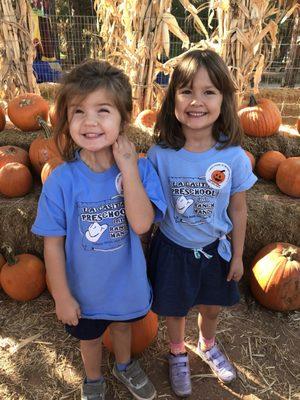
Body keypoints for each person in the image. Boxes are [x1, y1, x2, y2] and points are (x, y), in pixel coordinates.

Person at [32, 59, 166, 400]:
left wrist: (128, 169)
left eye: (102, 110)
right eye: (78, 111)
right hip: (84, 290)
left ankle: (124, 366)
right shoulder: (61, 179)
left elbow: (141, 224)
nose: (90, 121)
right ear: (66, 119)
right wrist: (62, 295)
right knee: (89, 339)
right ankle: (93, 380)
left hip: (125, 282)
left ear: (123, 117)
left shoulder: (140, 168)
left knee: (123, 328)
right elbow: (52, 244)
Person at [147, 49, 257, 397]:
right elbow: (147, 208)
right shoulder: (159, 155)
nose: (197, 101)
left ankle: (207, 345)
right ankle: (178, 352)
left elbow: (238, 210)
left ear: (224, 100)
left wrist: (238, 256)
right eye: (187, 91)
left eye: (209, 92)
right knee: (175, 308)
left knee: (211, 307)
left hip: (215, 250)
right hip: (173, 248)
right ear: (173, 100)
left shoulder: (233, 157)